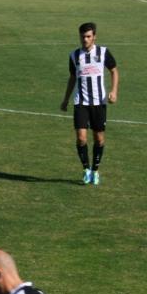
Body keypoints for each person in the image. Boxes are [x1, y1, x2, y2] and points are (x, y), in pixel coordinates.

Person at [60, 22, 119, 186]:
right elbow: (72, 78)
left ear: (94, 37)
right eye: (82, 36)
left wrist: (114, 91)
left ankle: (95, 170)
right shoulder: (74, 56)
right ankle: (86, 169)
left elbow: (114, 70)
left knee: (99, 139)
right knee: (81, 138)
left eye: (88, 36)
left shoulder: (103, 52)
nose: (85, 39)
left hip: (99, 102)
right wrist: (66, 99)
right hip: (81, 102)